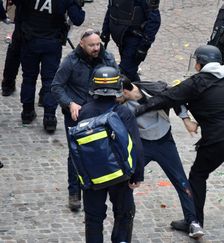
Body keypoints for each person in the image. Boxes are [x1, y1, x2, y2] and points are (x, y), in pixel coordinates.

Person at [135, 45, 224, 229]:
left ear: (199, 64)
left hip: (220, 137)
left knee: (198, 175)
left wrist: (140, 108)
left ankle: (193, 221)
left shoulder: (196, 83)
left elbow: (167, 97)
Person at [120, 78, 205, 239]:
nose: (115, 99)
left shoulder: (153, 89)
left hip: (164, 142)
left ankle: (193, 222)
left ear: (125, 91)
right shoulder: (119, 104)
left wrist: (186, 120)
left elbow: (176, 97)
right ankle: (125, 217)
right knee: (127, 180)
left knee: (181, 181)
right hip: (142, 145)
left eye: (117, 96)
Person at [51, 29, 118, 212]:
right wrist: (69, 103)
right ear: (82, 44)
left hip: (100, 113)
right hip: (77, 115)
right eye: (92, 45)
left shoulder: (108, 58)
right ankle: (74, 192)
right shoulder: (71, 61)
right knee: (76, 153)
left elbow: (117, 81)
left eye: (98, 44)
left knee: (104, 148)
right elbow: (56, 86)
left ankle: (101, 184)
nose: (96, 48)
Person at [77, 66, 145, 242]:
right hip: (120, 175)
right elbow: (135, 145)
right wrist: (137, 175)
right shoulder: (123, 112)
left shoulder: (85, 111)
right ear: (118, 88)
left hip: (93, 176)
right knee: (124, 214)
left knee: (93, 218)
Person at [18, 0, 85, 132]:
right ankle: (49, 117)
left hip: (30, 39)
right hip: (51, 42)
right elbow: (78, 19)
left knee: (28, 77)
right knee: (50, 81)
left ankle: (27, 112)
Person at [101, 0, 161, 82]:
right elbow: (111, 9)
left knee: (125, 72)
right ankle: (140, 92)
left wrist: (143, 47)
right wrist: (105, 30)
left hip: (135, 41)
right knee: (130, 73)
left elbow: (154, 21)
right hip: (121, 39)